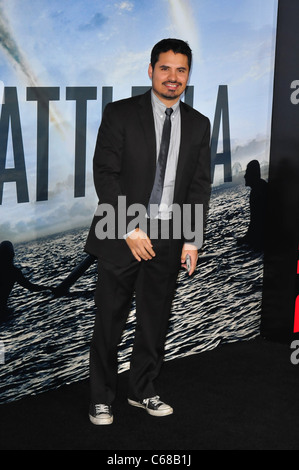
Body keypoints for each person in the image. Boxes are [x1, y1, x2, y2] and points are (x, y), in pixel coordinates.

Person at [85, 38, 211, 425]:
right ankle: (101, 398)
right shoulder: (120, 114)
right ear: (151, 70)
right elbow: (105, 174)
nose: (173, 77)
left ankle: (143, 390)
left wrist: (192, 239)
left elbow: (198, 185)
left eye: (181, 70)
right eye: (165, 68)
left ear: (188, 74)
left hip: (170, 234)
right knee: (110, 320)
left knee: (155, 319)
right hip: (120, 231)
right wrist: (130, 226)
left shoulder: (199, 123)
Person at [0, 240, 51, 318]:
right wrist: (50, 288)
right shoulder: (13, 271)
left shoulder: (13, 271)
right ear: (12, 254)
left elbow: (31, 287)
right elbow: (31, 287)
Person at [237, 160, 268, 250]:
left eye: (247, 173)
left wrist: (247, 239)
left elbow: (256, 221)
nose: (245, 176)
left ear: (253, 175)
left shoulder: (257, 192)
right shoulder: (260, 187)